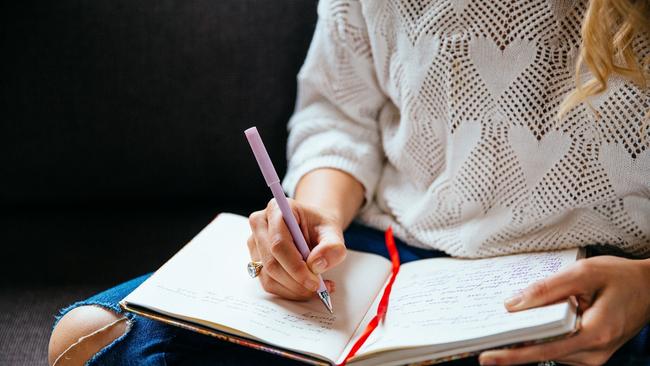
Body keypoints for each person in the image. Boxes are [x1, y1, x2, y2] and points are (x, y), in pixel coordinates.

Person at [48, 0, 650, 365]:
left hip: (612, 285)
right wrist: (315, 214)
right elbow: (340, 115)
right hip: (398, 264)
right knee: (94, 340)